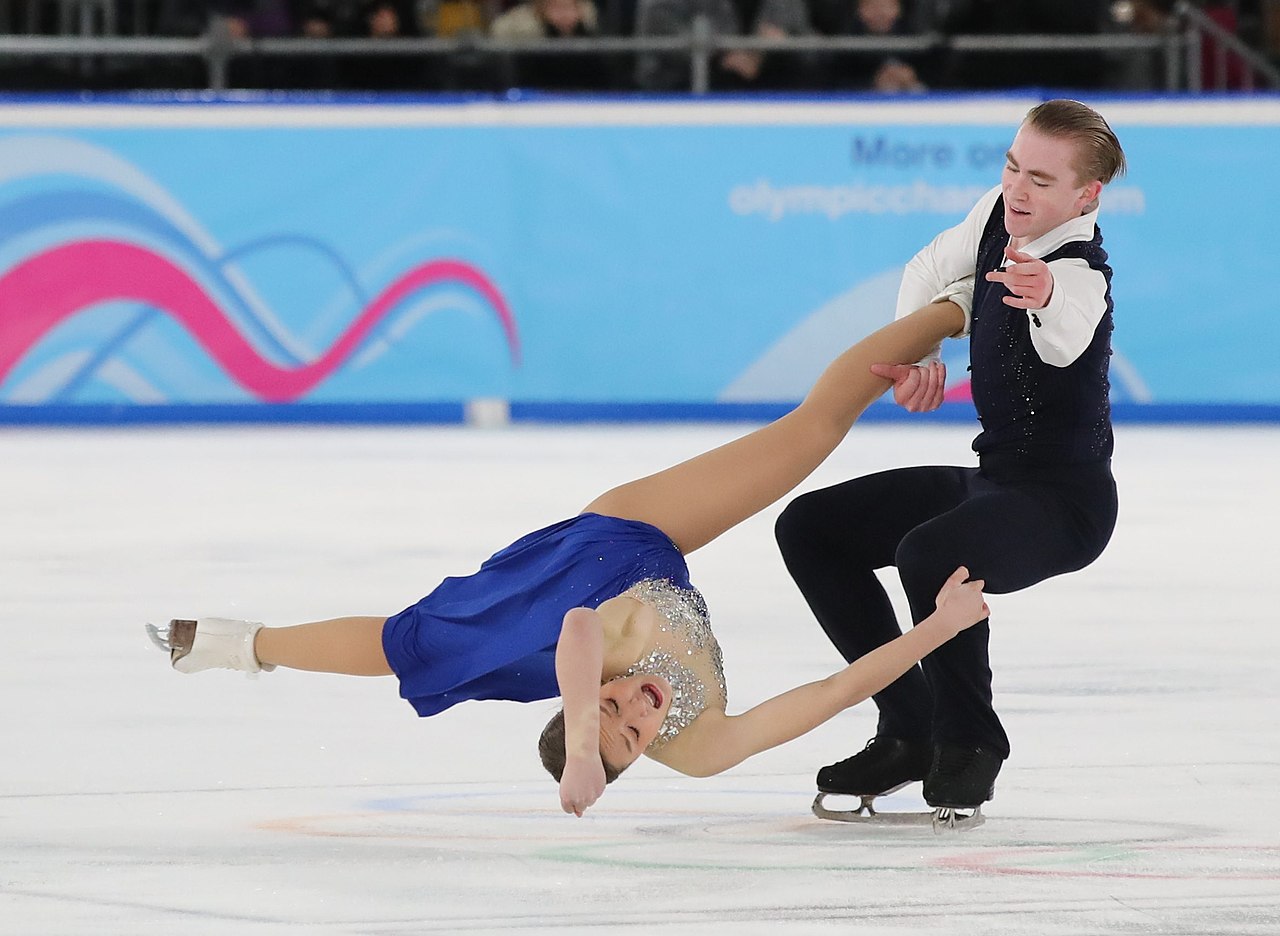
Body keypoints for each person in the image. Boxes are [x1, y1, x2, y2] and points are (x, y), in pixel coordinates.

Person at [148, 300, 990, 818]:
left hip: (612, 544)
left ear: (589, 699)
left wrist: (588, 743)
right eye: (633, 734)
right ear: (645, 754)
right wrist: (938, 627)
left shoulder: (602, 653)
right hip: (651, 564)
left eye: (610, 708)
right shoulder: (699, 747)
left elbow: (580, 629)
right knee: (416, 646)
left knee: (421, 644)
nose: (637, 707)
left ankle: (956, 307)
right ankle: (235, 644)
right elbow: (834, 692)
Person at [775, 99, 1126, 820]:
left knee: (932, 554)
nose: (1017, 189)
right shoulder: (996, 215)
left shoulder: (1082, 272)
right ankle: (908, 728)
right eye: (1012, 167)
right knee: (810, 527)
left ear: (1086, 196)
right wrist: (922, 348)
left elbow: (1067, 334)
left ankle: (970, 740)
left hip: (1066, 506)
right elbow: (929, 266)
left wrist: (1044, 292)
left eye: (1041, 180)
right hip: (994, 480)